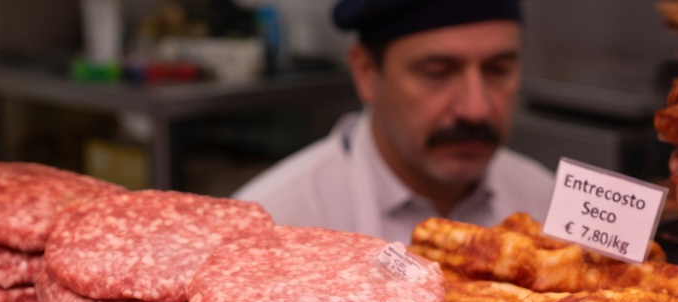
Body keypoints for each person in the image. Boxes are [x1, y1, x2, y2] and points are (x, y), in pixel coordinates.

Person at [233, 0, 553, 244]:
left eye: (498, 70)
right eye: (437, 72)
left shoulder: (546, 204)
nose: (475, 109)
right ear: (366, 72)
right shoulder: (275, 223)